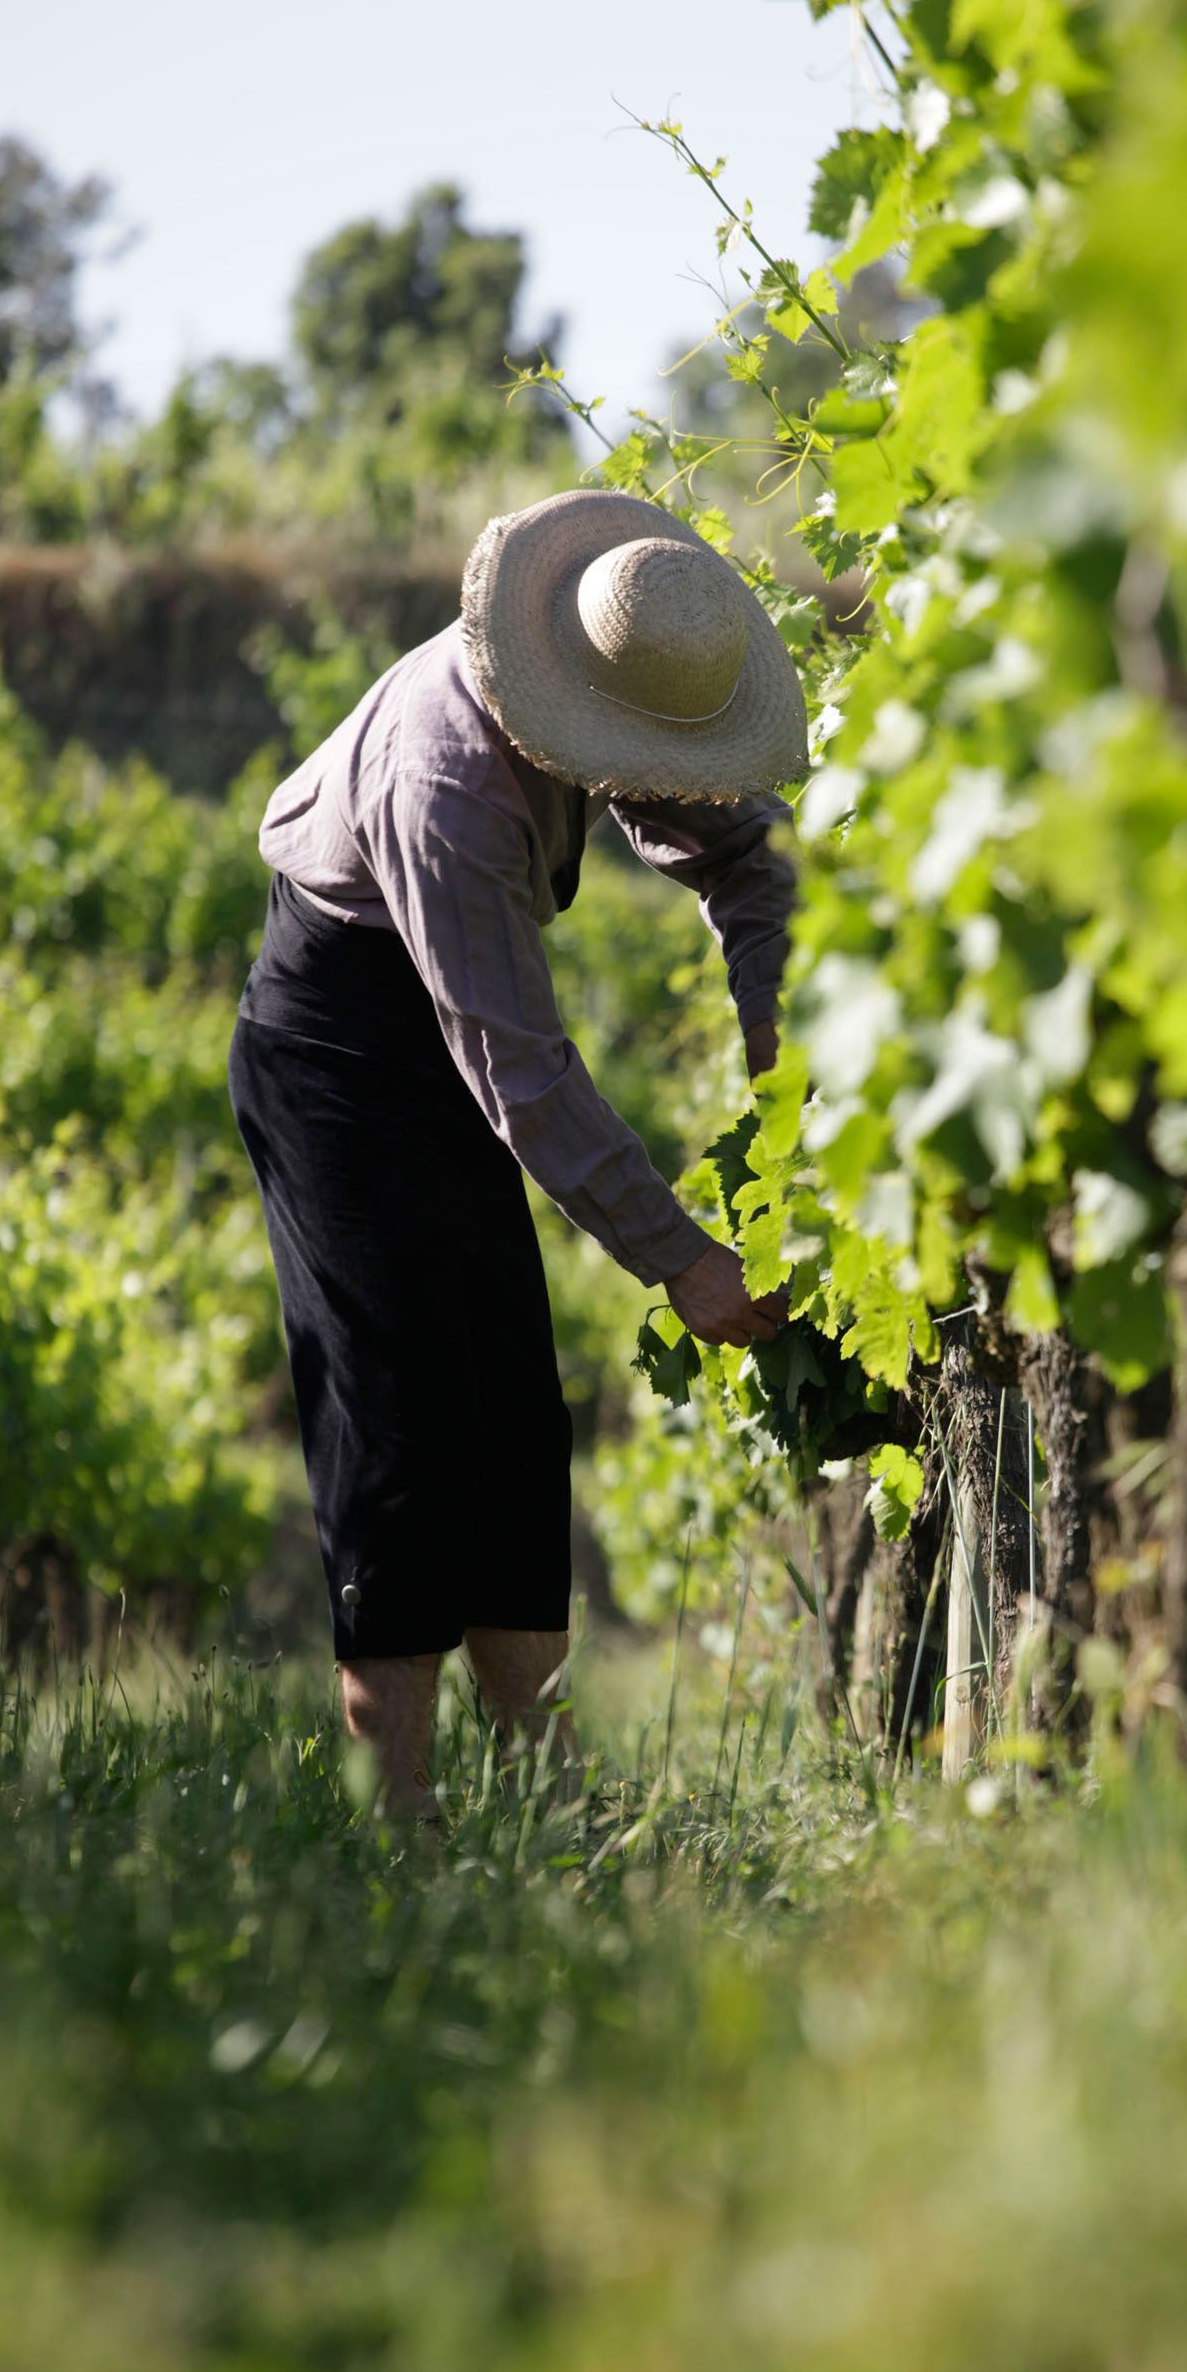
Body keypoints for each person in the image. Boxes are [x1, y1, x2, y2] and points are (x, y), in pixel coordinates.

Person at [226, 487, 804, 1826]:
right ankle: (398, 1821)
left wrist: (782, 1055)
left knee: (510, 1408)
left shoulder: (618, 663)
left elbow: (747, 858)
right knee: (396, 1414)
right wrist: (682, 1259)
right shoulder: (447, 782)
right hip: (339, 1058)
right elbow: (521, 1070)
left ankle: (546, 1792)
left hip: (449, 1034)